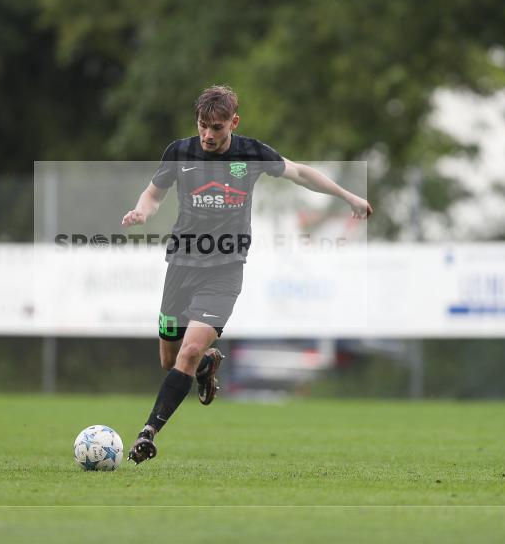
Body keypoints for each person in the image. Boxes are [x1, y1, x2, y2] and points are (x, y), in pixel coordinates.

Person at [121, 85, 372, 464]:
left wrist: (349, 197)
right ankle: (206, 367)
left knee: (188, 351)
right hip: (181, 267)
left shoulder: (251, 153)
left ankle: (148, 433)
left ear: (233, 123)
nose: (208, 134)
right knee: (170, 360)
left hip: (224, 271)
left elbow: (300, 173)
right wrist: (142, 211)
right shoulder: (179, 152)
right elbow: (154, 194)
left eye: (217, 127)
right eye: (202, 125)